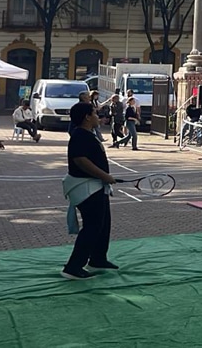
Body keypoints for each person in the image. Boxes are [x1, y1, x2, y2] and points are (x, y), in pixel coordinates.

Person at [61, 101, 117, 279]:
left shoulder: (88, 134)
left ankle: (98, 258)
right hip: (87, 188)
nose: (97, 116)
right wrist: (104, 176)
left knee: (103, 223)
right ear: (86, 117)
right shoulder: (80, 136)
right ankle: (73, 267)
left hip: (97, 187)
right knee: (92, 226)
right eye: (94, 113)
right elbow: (80, 161)